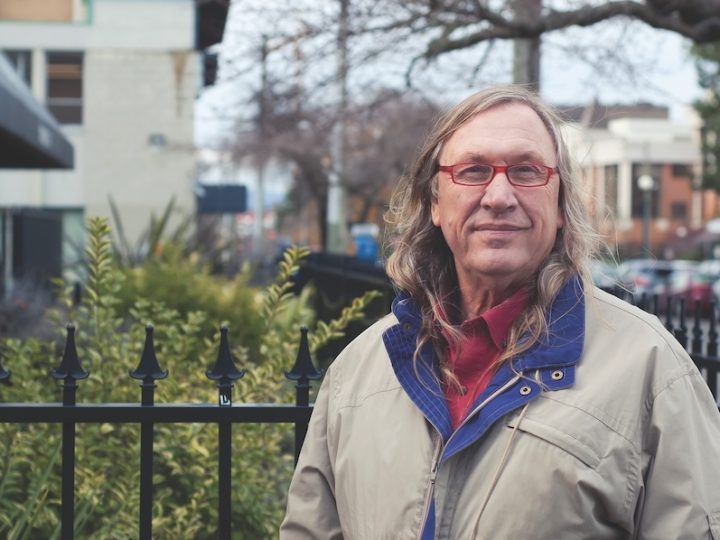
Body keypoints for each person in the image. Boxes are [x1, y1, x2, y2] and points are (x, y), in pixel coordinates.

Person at [280, 85, 720, 539]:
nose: (498, 196)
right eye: (473, 171)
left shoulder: (650, 368)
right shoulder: (358, 371)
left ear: (561, 201)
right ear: (435, 202)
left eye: (526, 171)